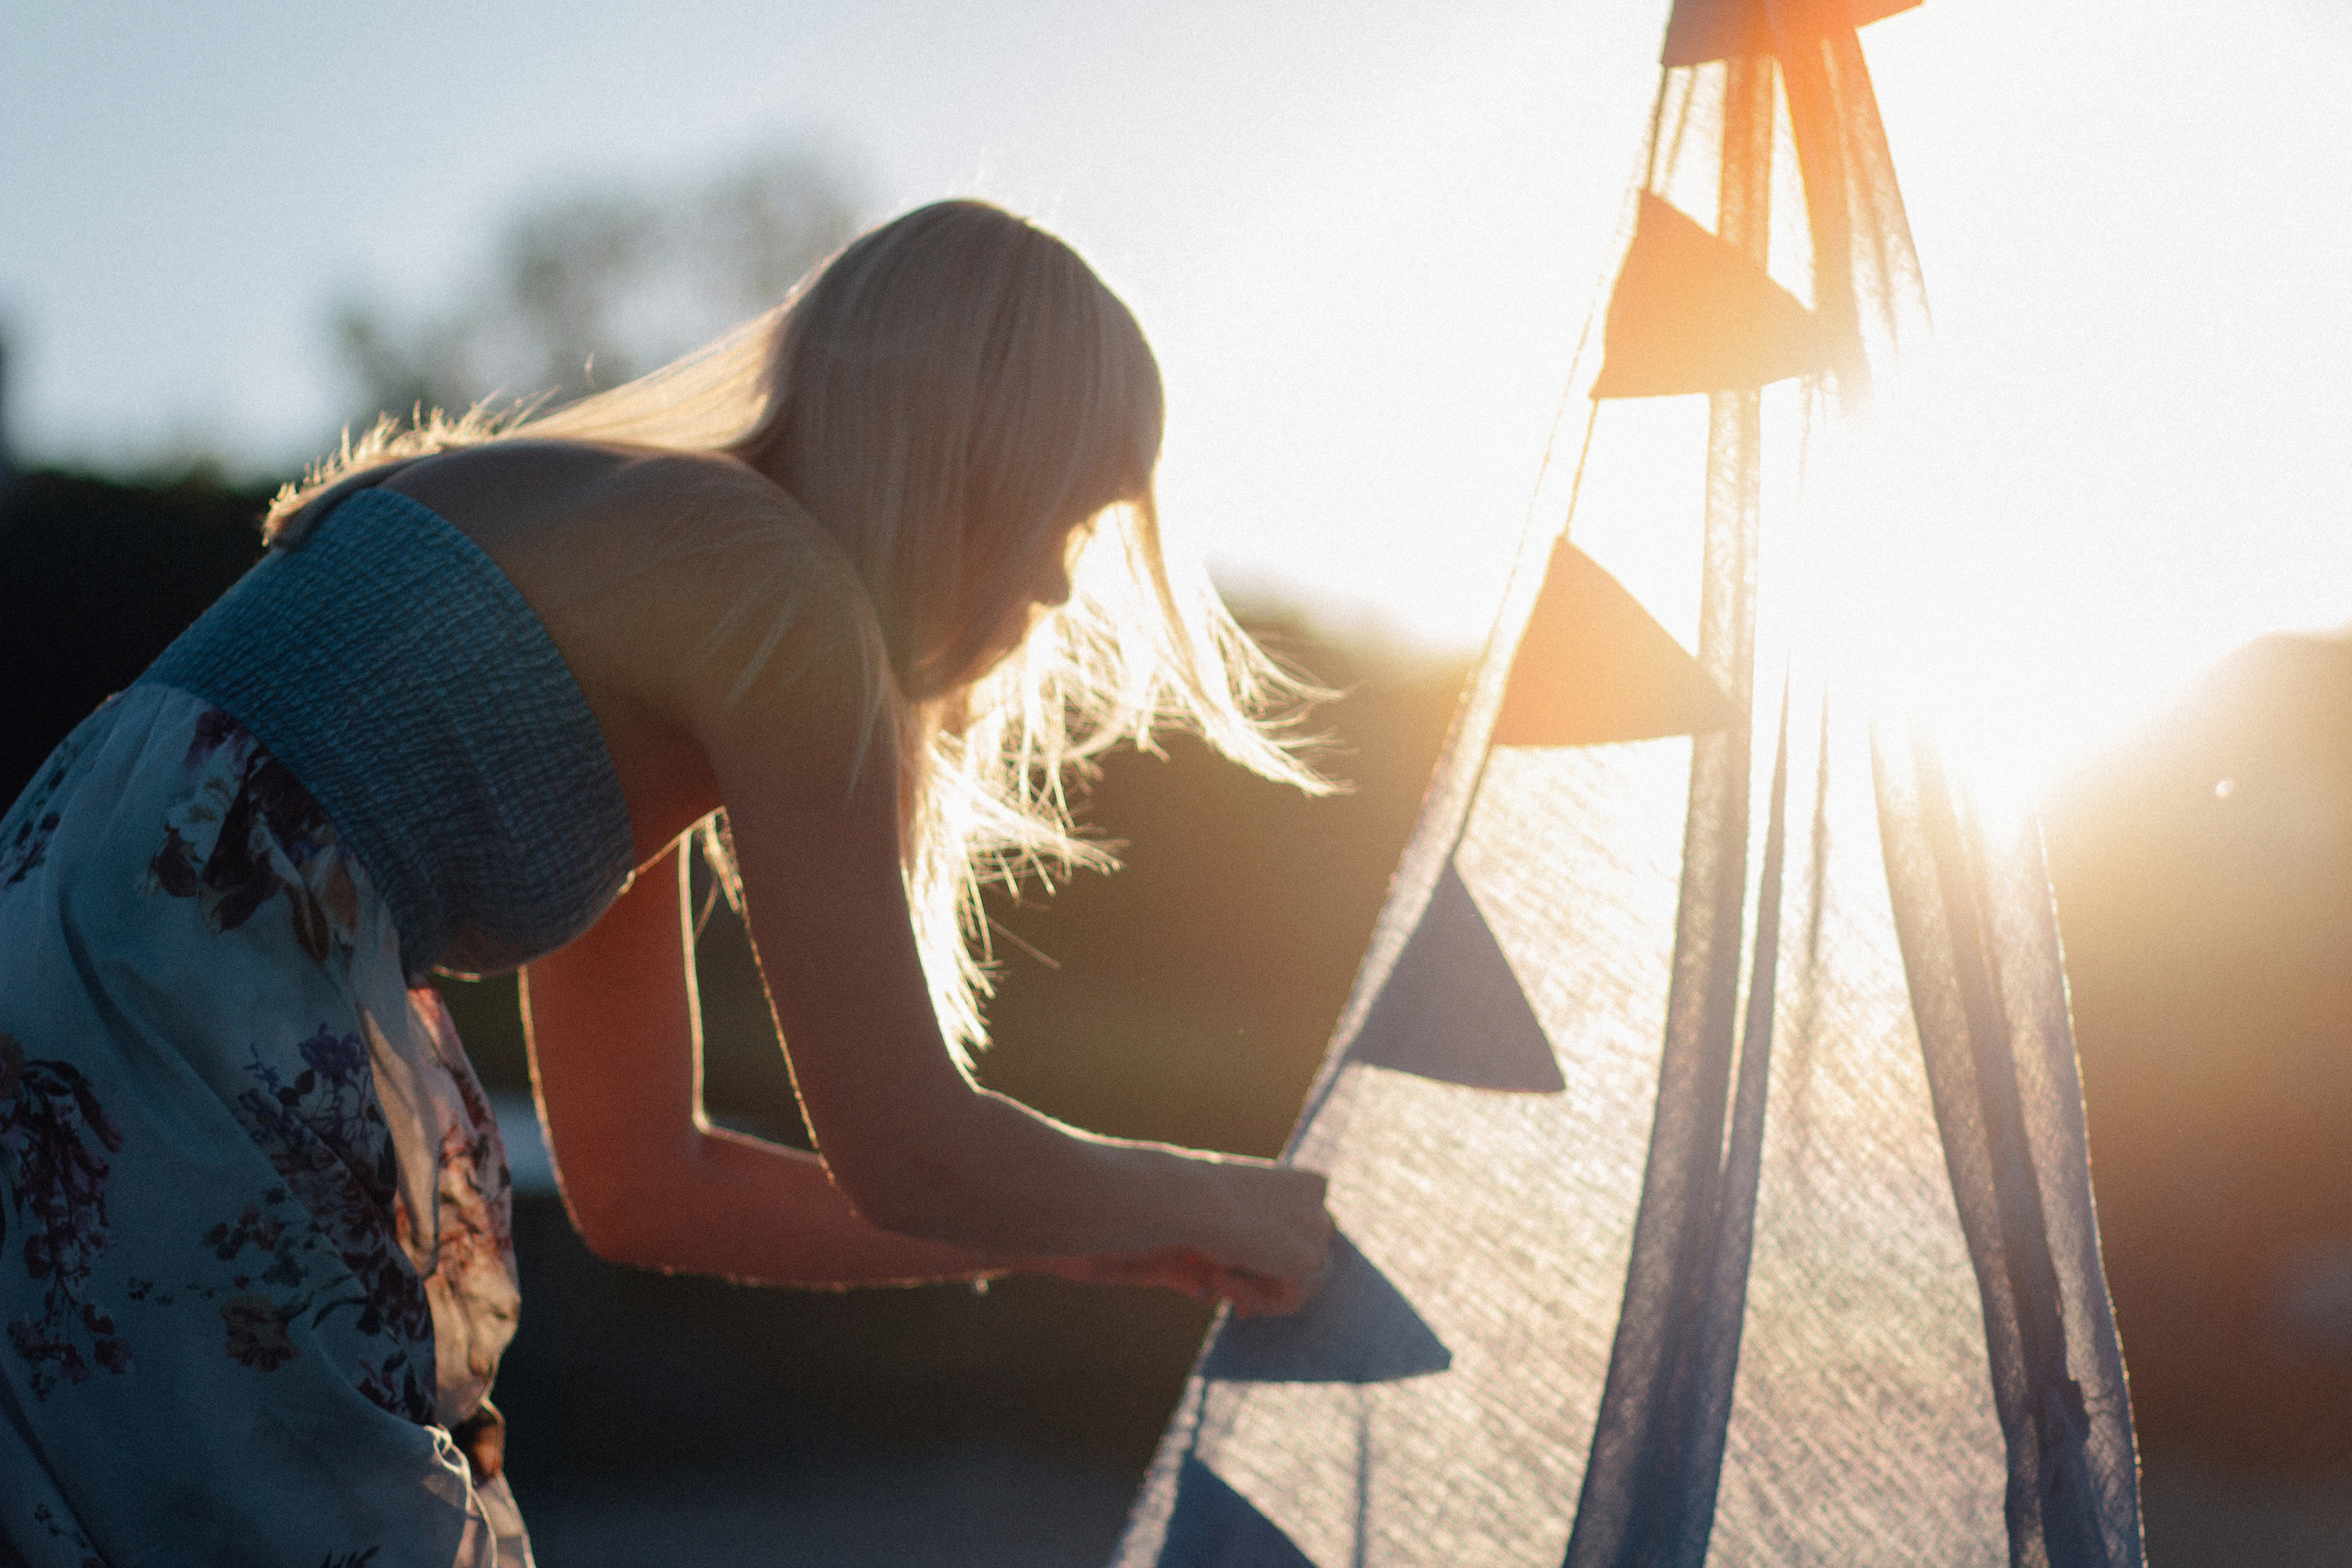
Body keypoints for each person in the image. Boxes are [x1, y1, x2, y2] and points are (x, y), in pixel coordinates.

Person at [0, 200, 1335, 1566]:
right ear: (974, 460)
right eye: (1072, 507)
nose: (1060, 580)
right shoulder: (778, 596)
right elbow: (909, 1143)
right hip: (174, 1028)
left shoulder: (629, 551)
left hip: (62, 989)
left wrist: (1063, 1235)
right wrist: (1223, 1200)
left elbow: (645, 1184)